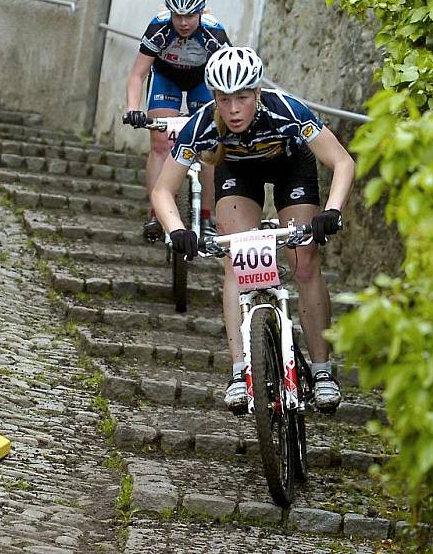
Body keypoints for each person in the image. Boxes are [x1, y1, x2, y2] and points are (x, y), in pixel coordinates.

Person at [151, 46, 355, 414]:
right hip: (238, 173)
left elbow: (341, 161)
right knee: (236, 263)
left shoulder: (287, 110)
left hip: (291, 168)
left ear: (257, 93)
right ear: (214, 97)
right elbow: (163, 189)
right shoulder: (202, 125)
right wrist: (177, 230)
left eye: (242, 98)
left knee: (304, 263)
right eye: (224, 99)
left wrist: (333, 210)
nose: (233, 109)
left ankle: (322, 370)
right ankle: (239, 371)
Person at [123, 0, 231, 243]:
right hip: (166, 78)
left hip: (202, 81)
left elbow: (227, 80)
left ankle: (206, 217)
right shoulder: (158, 27)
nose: (183, 22)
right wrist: (132, 108)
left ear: (201, 12)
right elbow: (138, 74)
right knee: (160, 144)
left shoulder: (214, 32)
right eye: (177, 15)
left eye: (190, 15)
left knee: (210, 148)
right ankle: (156, 213)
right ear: (169, 12)